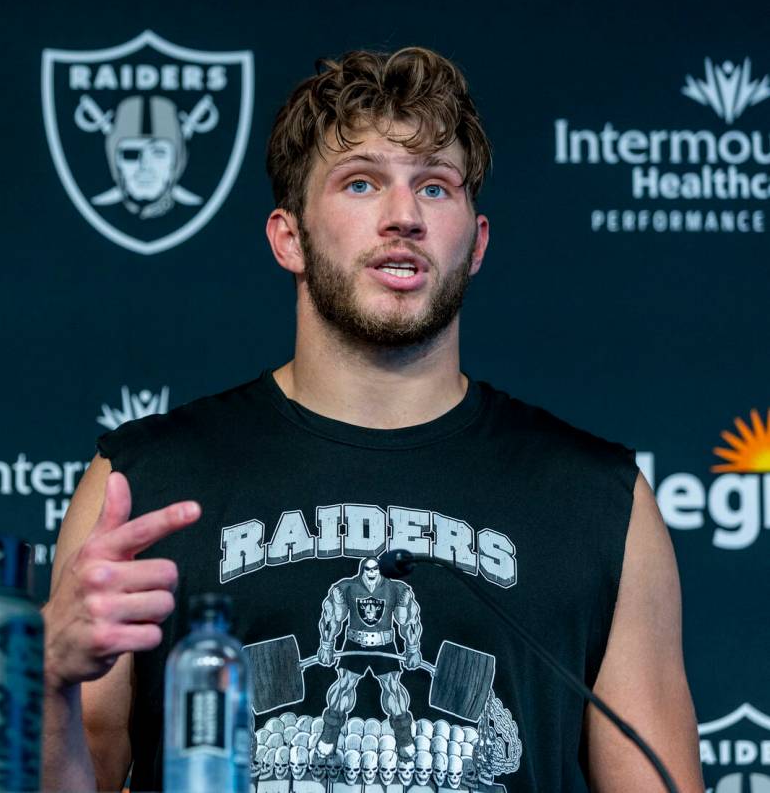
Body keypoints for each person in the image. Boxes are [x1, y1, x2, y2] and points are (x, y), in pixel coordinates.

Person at [41, 47, 704, 792]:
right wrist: (51, 683)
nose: (403, 217)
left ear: (476, 242)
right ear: (287, 236)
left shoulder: (598, 501)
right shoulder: (145, 483)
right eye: (361, 183)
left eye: (434, 187)